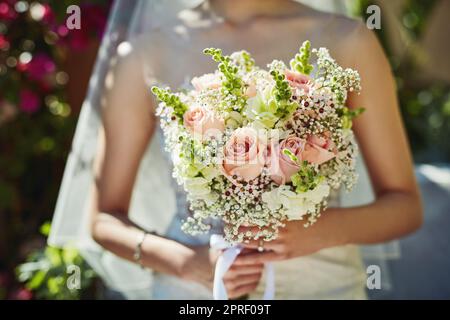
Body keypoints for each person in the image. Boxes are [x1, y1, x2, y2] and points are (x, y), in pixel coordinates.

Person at [53, 0, 423, 299]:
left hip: (325, 286)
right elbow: (103, 220)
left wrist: (318, 230)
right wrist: (188, 263)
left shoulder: (348, 40)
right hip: (195, 293)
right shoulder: (144, 54)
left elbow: (405, 206)